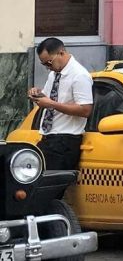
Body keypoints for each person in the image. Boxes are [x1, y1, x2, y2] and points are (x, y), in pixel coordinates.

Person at [29, 37, 93, 174]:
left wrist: (52, 104)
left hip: (65, 141)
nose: (48, 68)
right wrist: (37, 94)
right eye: (44, 64)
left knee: (45, 189)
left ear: (62, 53)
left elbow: (86, 109)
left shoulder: (79, 75)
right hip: (48, 138)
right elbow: (47, 98)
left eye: (49, 63)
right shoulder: (54, 74)